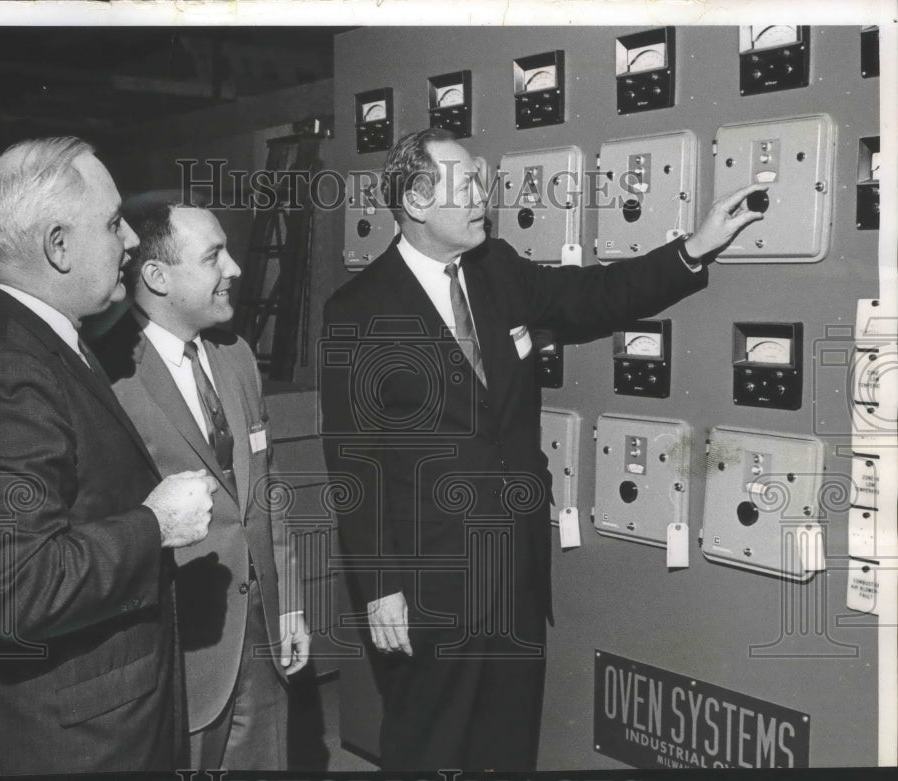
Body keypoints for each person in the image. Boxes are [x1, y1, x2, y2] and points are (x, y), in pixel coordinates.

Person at [319, 127, 766, 771]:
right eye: (465, 184)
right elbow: (352, 463)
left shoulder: (496, 268)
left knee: (508, 739)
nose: (484, 194)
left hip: (516, 567)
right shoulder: (357, 311)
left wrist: (694, 248)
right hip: (431, 580)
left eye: (480, 178)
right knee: (429, 742)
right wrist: (382, 586)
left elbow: (591, 298)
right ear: (415, 204)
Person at [0, 138, 218, 778]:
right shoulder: (5, 369)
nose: (132, 239)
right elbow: (15, 591)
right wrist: (156, 525)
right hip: (68, 746)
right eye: (112, 224)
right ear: (58, 246)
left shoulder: (18, 338)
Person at [96, 191, 310, 770]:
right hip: (176, 655)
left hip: (261, 644)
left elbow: (266, 487)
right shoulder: (106, 373)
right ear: (158, 276)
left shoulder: (236, 355)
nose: (235, 270)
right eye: (215, 256)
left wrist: (288, 603)